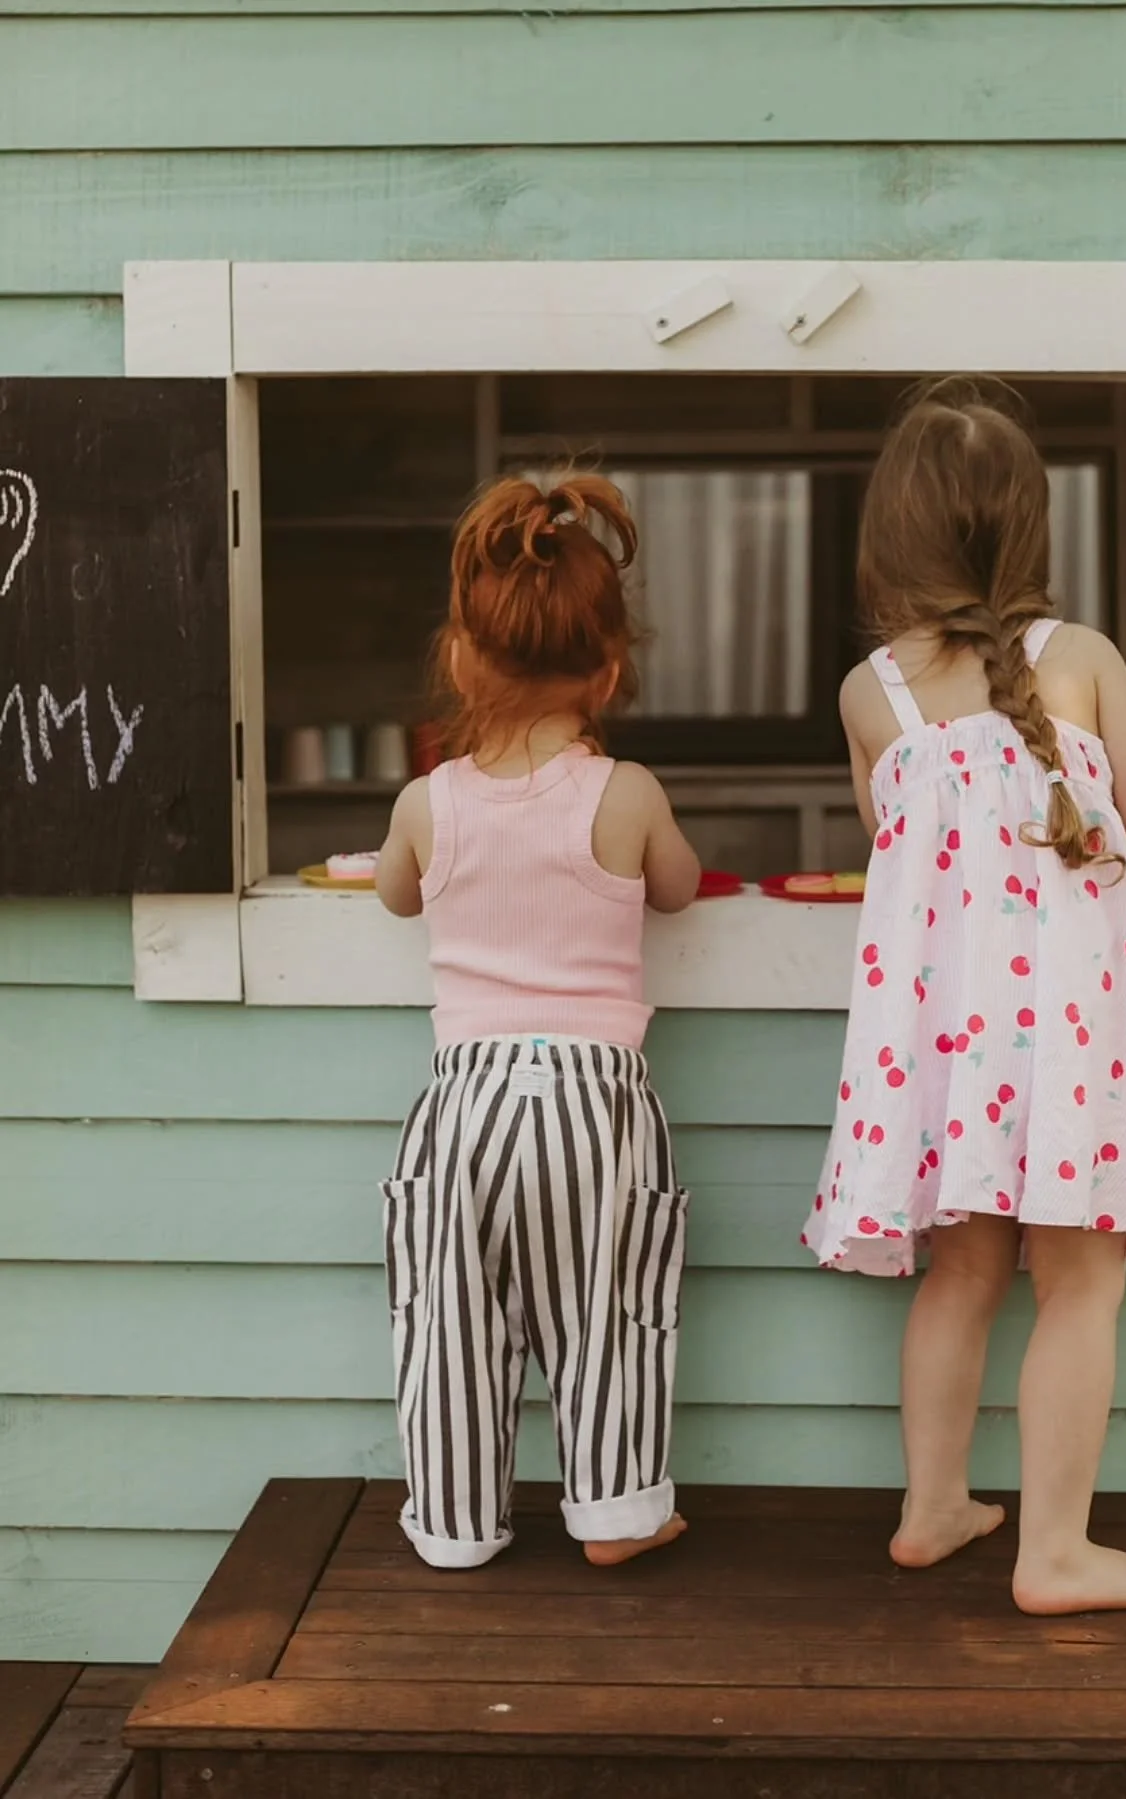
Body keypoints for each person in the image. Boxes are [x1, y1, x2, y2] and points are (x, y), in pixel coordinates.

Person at [803, 380, 1126, 1613]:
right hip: (1061, 1036)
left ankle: (931, 1505)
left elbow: (903, 845)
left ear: (887, 535)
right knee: (1081, 1279)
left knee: (962, 1271)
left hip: (943, 1050)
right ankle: (1053, 1550)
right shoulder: (1086, 661)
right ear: (1028, 531)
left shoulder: (869, 697)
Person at [375, 473, 701, 1570]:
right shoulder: (629, 792)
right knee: (607, 1303)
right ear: (609, 667)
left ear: (461, 659)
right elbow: (677, 888)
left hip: (463, 1096)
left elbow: (393, 892)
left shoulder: (429, 803)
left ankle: (459, 1524)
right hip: (593, 1098)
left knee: (451, 1319)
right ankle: (615, 1510)